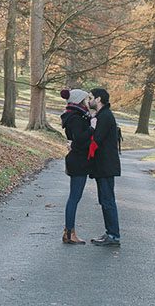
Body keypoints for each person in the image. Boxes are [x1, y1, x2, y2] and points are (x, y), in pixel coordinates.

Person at [87, 87, 121, 246]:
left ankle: (113, 235)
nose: (89, 101)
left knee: (107, 201)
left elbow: (96, 139)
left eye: (91, 97)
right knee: (105, 200)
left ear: (99, 99)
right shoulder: (102, 115)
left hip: (106, 166)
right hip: (103, 166)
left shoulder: (105, 116)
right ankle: (110, 233)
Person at [59, 87, 93, 245]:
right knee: (74, 197)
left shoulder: (74, 116)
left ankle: (69, 231)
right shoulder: (76, 118)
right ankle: (69, 232)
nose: (87, 103)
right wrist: (92, 127)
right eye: (85, 100)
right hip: (78, 160)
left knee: (74, 197)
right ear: (79, 101)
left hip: (76, 159)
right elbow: (79, 139)